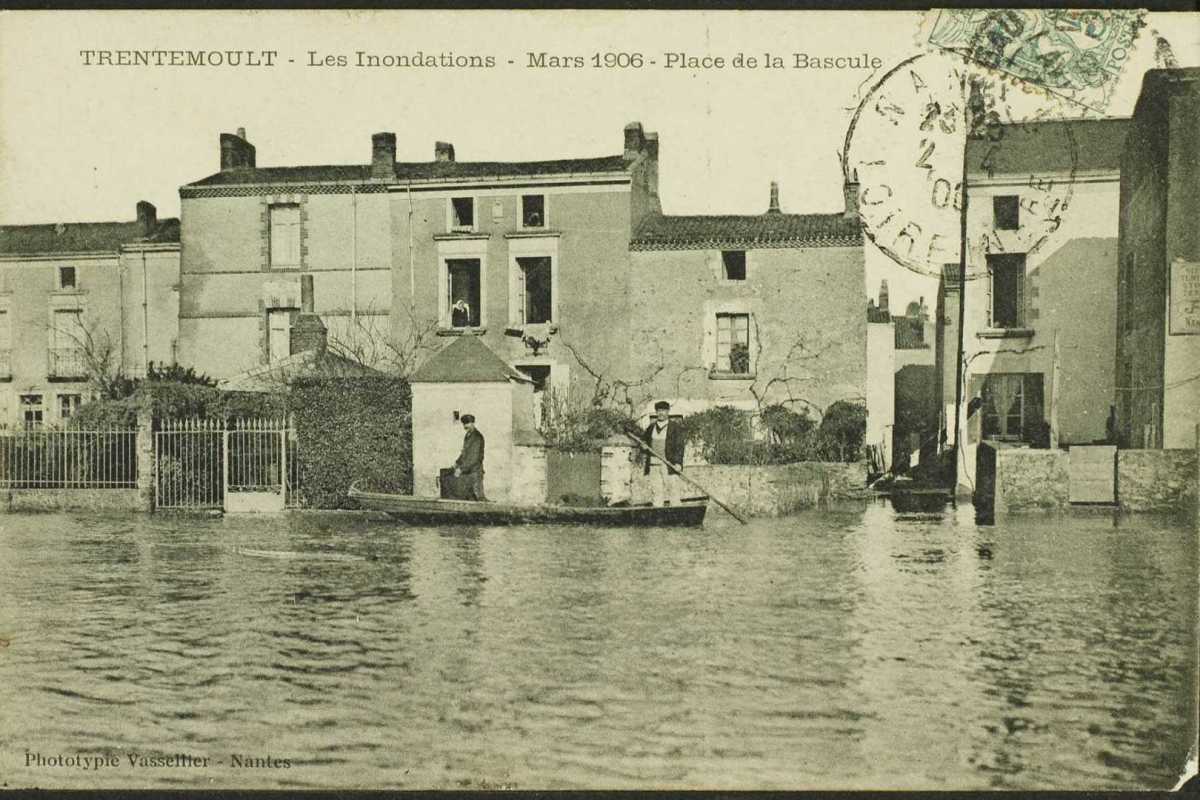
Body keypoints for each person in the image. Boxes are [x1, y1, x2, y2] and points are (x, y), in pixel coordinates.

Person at [643, 400, 686, 507]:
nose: (661, 413)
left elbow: (679, 447)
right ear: (656, 412)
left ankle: (677, 514)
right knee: (656, 491)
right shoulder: (651, 427)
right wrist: (643, 447)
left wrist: (678, 463)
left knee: (673, 490)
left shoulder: (675, 427)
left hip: (669, 463)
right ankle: (658, 514)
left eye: (664, 410)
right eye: (659, 411)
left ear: (668, 412)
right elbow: (644, 442)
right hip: (654, 464)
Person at [454, 414, 487, 501]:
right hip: (468, 473)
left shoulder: (477, 437)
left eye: (468, 423)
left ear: (473, 423)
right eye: (464, 424)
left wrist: (461, 469)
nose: (465, 426)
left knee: (478, 498)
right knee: (468, 499)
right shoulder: (468, 436)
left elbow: (474, 457)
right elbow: (465, 452)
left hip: (475, 473)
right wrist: (457, 462)